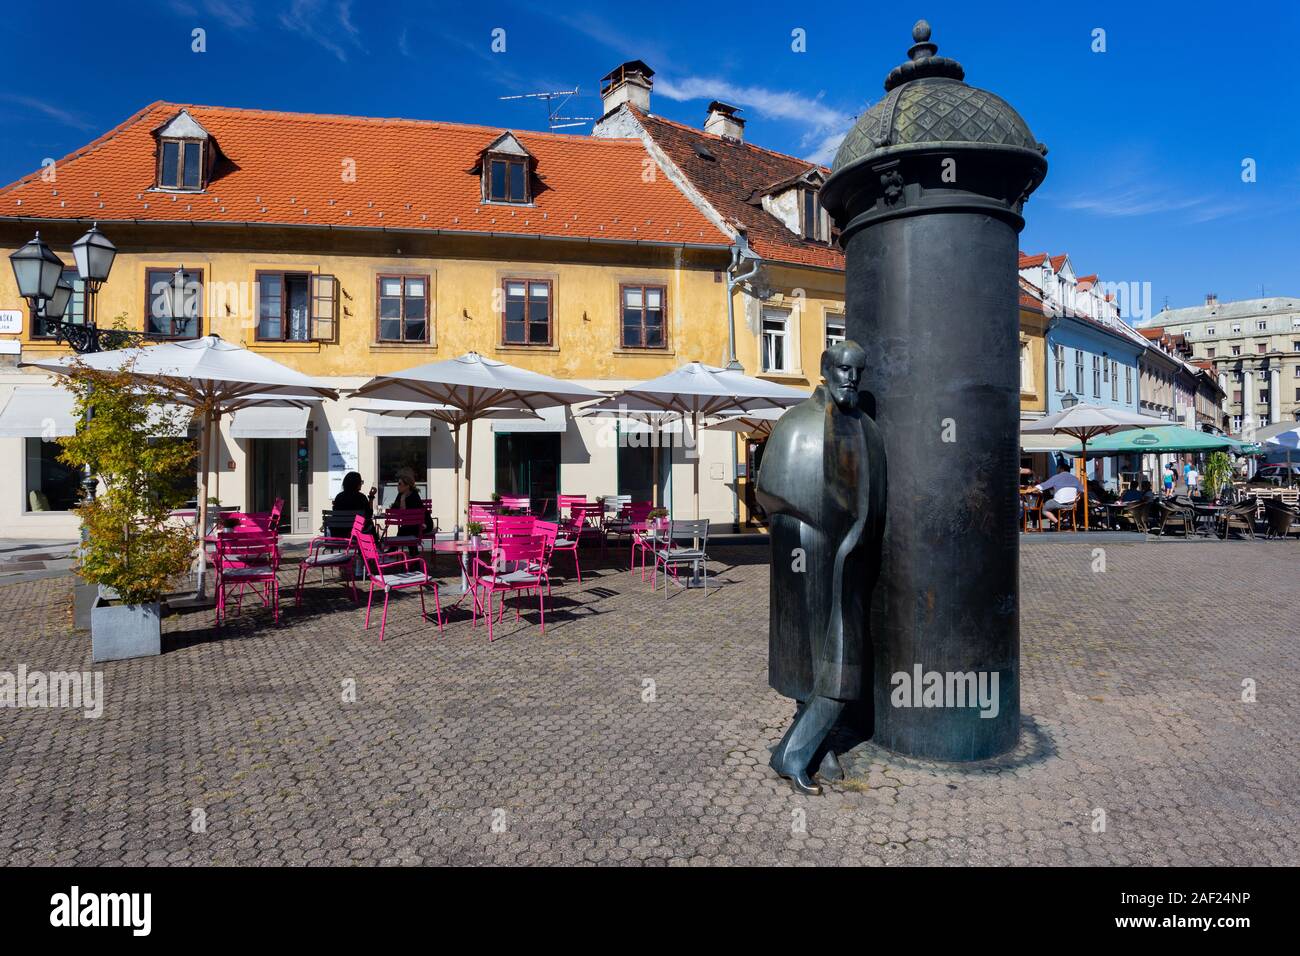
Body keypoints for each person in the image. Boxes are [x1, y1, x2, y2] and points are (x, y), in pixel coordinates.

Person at [755, 341, 886, 796]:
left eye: (858, 370)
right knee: (809, 651)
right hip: (804, 548)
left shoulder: (867, 429)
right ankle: (808, 750)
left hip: (848, 556)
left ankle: (803, 748)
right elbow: (769, 488)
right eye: (844, 369)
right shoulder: (796, 423)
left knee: (839, 658)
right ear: (826, 370)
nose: (852, 378)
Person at [388, 471, 433, 554]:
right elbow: (395, 508)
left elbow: (408, 514)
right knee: (406, 530)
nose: (397, 486)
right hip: (411, 524)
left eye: (400, 484)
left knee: (405, 530)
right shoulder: (400, 495)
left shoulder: (414, 496)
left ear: (407, 486)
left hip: (424, 524)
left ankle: (394, 549)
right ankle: (413, 557)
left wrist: (403, 499)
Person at [1034, 463, 1083, 528]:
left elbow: (1044, 485)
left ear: (1061, 469)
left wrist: (1033, 488)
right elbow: (1082, 490)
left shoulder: (1057, 477)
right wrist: (1077, 498)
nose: (1057, 470)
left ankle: (1057, 523)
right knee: (1065, 505)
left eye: (1058, 469)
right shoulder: (1075, 478)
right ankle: (1065, 522)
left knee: (1044, 509)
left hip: (1058, 503)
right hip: (1072, 504)